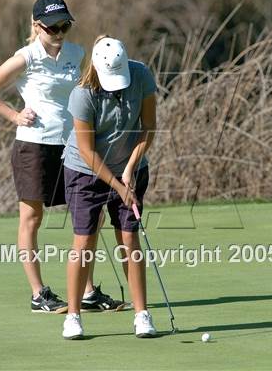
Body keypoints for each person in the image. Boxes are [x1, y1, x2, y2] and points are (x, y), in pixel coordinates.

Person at [0, 0, 124, 314]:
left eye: (65, 26)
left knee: (89, 215)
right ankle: (39, 294)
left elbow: (92, 90)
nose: (60, 33)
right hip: (33, 146)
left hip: (73, 146)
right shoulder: (26, 57)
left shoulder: (77, 53)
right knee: (32, 217)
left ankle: (87, 292)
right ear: (37, 27)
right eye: (53, 28)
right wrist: (14, 115)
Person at [62, 35, 158, 339]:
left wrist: (130, 169)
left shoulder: (141, 75)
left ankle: (142, 315)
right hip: (84, 171)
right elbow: (88, 151)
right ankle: (74, 317)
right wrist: (117, 184)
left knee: (129, 239)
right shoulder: (82, 94)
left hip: (130, 166)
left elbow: (148, 128)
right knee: (84, 241)